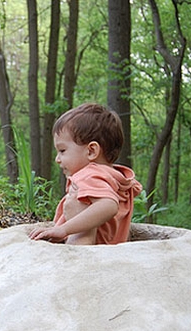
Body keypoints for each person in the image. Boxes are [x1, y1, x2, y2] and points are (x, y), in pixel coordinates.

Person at [29, 103, 142, 245]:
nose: (57, 159)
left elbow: (109, 205)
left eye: (62, 150)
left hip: (83, 255)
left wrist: (64, 229)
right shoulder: (115, 179)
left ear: (91, 151)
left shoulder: (87, 174)